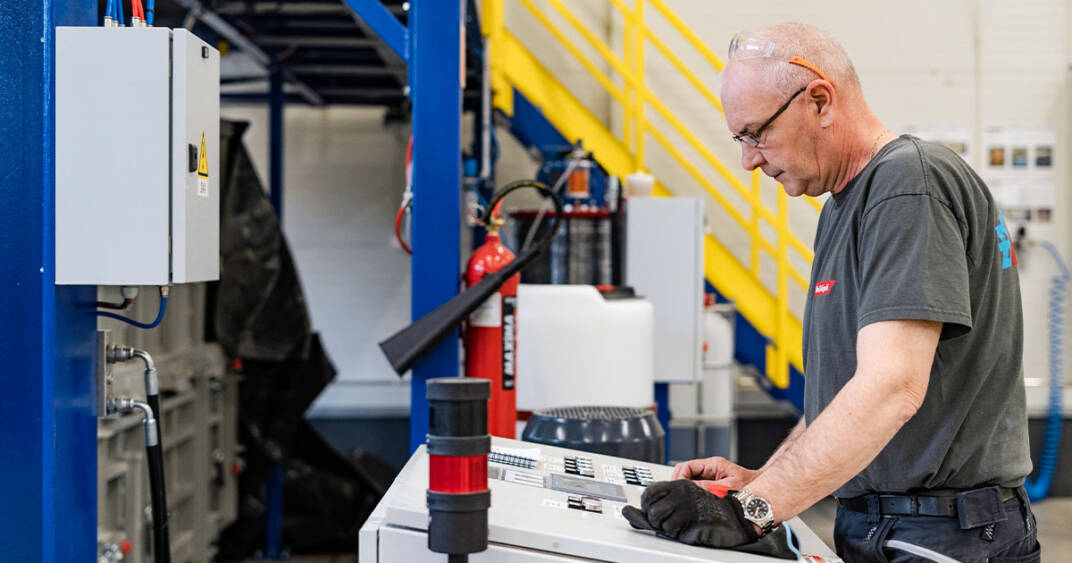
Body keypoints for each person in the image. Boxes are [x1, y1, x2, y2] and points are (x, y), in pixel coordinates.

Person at [622, 23, 1039, 561]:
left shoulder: (910, 185)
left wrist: (754, 509)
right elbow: (845, 392)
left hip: (944, 534)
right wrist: (762, 480)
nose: (748, 160)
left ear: (819, 100)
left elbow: (892, 388)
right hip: (893, 524)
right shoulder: (847, 203)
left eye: (755, 133)